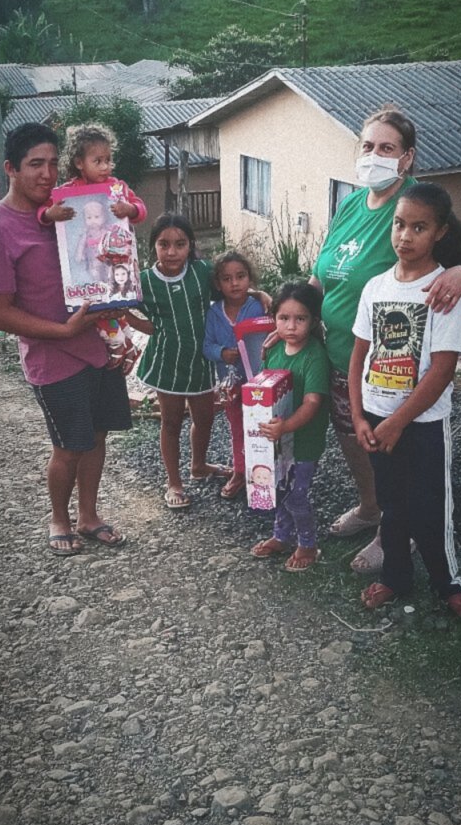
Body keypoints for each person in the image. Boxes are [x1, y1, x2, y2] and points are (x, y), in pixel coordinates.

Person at [310, 107, 461, 574]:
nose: (375, 156)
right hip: (342, 352)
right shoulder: (350, 204)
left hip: (393, 363)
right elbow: (322, 272)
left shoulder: (415, 204)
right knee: (352, 433)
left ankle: (391, 531)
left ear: (406, 158)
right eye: (368, 146)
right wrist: (290, 303)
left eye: (387, 148)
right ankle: (370, 507)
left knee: (390, 448)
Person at [0, 123, 131, 556]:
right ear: (10, 169)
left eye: (51, 164)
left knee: (97, 436)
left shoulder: (72, 207)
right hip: (53, 358)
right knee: (68, 446)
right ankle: (60, 519)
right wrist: (63, 331)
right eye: (34, 164)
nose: (46, 174)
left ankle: (89, 515)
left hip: (98, 347)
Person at [348, 182, 461, 616]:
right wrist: (360, 417)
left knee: (430, 510)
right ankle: (396, 577)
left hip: (421, 426)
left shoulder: (442, 291)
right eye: (399, 224)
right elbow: (358, 359)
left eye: (419, 227)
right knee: (392, 505)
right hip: (376, 419)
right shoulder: (374, 287)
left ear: (440, 232)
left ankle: (449, 584)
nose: (405, 236)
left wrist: (399, 421)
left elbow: (442, 371)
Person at [127, 214, 233, 509]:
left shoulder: (202, 272)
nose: (172, 252)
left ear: (190, 246)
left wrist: (258, 295)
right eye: (164, 244)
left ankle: (198, 466)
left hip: (201, 360)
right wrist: (138, 323)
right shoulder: (144, 281)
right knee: (171, 422)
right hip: (167, 363)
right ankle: (173, 482)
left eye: (180, 244)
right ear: (154, 247)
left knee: (205, 418)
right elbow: (128, 310)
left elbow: (229, 293)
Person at [38, 122, 146, 375]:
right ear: (79, 162)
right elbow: (43, 211)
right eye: (97, 161)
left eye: (108, 160)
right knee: (96, 303)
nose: (105, 166)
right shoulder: (66, 193)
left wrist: (129, 210)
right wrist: (50, 214)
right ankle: (123, 344)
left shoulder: (117, 188)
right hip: (86, 263)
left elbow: (140, 209)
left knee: (111, 298)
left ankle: (120, 346)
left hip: (111, 258)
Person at [250, 282, 330, 572]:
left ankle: (308, 543)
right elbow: (266, 388)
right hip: (277, 437)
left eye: (301, 319)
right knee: (280, 488)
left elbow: (312, 403)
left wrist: (286, 427)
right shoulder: (273, 349)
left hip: (304, 440)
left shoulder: (315, 356)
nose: (291, 326)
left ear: (314, 321)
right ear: (273, 319)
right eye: (284, 318)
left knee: (297, 493)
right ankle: (281, 536)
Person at [203, 250, 265, 500]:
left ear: (249, 278)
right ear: (218, 284)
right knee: (237, 427)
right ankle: (239, 472)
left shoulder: (259, 305)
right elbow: (206, 345)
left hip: (259, 383)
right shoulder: (214, 312)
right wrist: (221, 352)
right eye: (227, 279)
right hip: (230, 385)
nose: (235, 283)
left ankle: (264, 473)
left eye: (240, 276)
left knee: (262, 427)